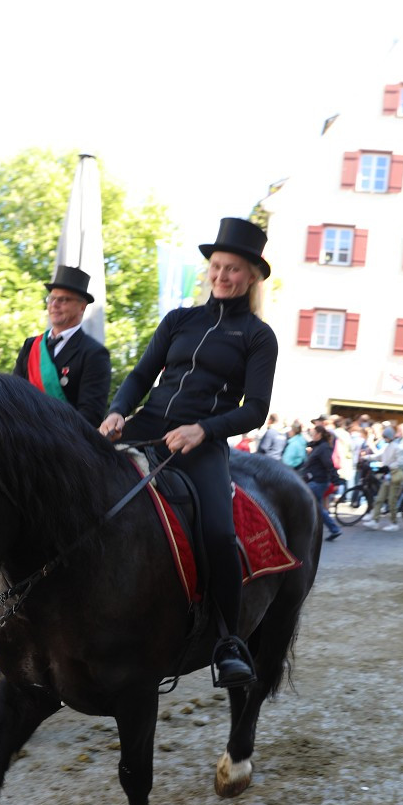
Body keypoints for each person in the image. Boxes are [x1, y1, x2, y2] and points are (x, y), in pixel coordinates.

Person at [99, 217, 277, 687]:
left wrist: (202, 429)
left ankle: (227, 643)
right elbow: (140, 376)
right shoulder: (179, 319)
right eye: (217, 266)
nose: (223, 275)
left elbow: (256, 409)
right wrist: (118, 411)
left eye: (234, 269)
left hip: (203, 442)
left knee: (219, 533)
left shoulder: (259, 336)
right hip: (147, 426)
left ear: (251, 277)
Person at [14, 265, 111, 427]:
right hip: (24, 436)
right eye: (51, 298)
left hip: (64, 444)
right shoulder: (31, 346)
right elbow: (13, 396)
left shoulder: (94, 353)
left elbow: (90, 416)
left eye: (64, 299)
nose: (54, 305)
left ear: (82, 307)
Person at [300, 424, 342, 542]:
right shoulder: (319, 445)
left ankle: (332, 529)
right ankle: (332, 529)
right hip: (315, 480)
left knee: (312, 505)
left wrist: (336, 481)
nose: (312, 436)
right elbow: (311, 444)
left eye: (314, 434)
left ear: (319, 434)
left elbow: (329, 465)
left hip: (318, 481)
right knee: (316, 507)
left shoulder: (323, 448)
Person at [362, 424, 403, 531]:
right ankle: (375, 520)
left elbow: (402, 462)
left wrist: (389, 466)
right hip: (389, 476)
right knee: (380, 499)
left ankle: (393, 523)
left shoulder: (396, 447)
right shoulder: (389, 446)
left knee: (391, 501)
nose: (384, 439)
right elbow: (378, 456)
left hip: (394, 476)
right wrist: (366, 457)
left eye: (385, 437)